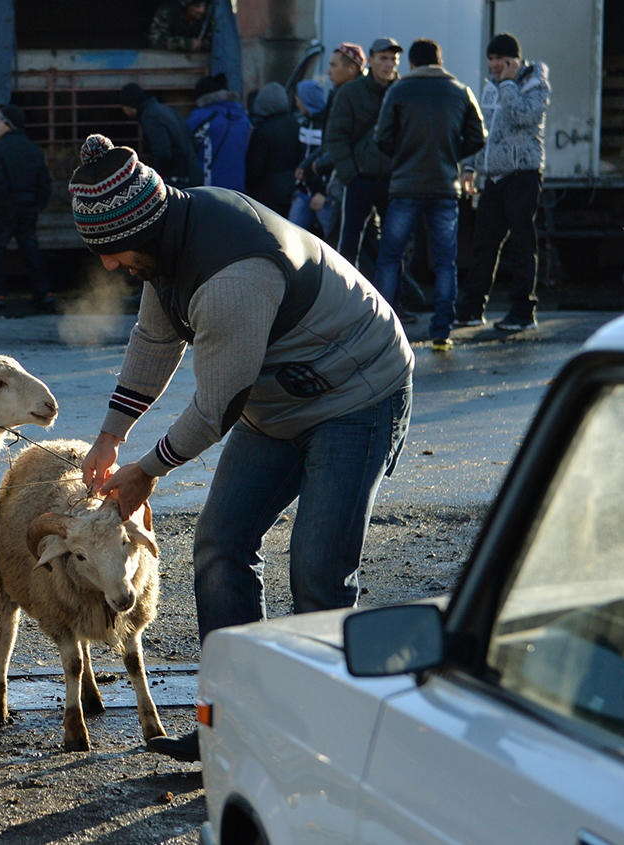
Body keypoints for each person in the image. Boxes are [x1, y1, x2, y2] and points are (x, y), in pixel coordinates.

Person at [71, 133, 414, 762]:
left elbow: (217, 407)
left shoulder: (231, 277)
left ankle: (331, 744)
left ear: (141, 230)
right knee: (220, 546)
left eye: (114, 253)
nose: (109, 267)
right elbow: (155, 341)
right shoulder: (167, 241)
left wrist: (146, 471)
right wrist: (110, 436)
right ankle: (233, 730)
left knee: (317, 568)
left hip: (355, 396)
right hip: (278, 401)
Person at [372, 39, 486, 351]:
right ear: (440, 60)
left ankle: (382, 332)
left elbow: (382, 137)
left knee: (390, 258)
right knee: (445, 262)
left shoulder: (399, 91)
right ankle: (441, 332)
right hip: (444, 188)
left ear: (411, 64)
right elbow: (479, 136)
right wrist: (451, 155)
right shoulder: (460, 91)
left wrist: (403, 156)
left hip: (405, 187)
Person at [456, 33, 551, 331]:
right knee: (484, 244)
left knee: (522, 243)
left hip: (522, 174)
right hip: (493, 179)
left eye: (502, 60)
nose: (495, 65)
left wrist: (509, 83)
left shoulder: (535, 84)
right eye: (492, 60)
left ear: (515, 60)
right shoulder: (489, 87)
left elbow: (523, 116)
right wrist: (470, 166)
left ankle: (523, 311)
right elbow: (481, 129)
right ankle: (472, 309)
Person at [323, 38, 401, 268]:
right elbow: (336, 137)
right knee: (348, 249)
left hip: (394, 181)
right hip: (360, 180)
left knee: (394, 250)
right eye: (383, 59)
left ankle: (394, 301)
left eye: (393, 60)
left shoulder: (403, 91)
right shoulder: (350, 93)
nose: (389, 65)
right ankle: (348, 301)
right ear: (372, 61)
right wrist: (351, 176)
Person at [0, 104, 54, 316]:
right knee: (31, 251)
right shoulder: (34, 149)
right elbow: (45, 184)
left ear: (8, 124)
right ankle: (44, 294)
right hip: (28, 209)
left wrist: (4, 206)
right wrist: (36, 206)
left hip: (6, 211)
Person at [294, 43, 366, 237]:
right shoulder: (339, 95)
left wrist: (318, 174)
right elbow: (331, 142)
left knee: (346, 247)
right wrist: (308, 164)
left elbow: (343, 147)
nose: (328, 71)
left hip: (346, 185)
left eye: (334, 65)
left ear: (351, 69)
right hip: (337, 184)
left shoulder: (355, 97)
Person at [120, 82, 199, 187]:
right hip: (192, 175)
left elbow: (163, 153)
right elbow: (193, 141)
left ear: (129, 105)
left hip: (177, 181)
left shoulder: (149, 117)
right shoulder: (165, 110)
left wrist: (154, 180)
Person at [186, 73, 251, 192]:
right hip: (238, 191)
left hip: (210, 189)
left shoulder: (201, 117)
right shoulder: (243, 117)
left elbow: (187, 146)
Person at [244, 81, 302, 216]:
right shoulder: (296, 125)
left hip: (267, 196)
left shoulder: (262, 131)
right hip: (292, 190)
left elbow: (255, 168)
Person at [287, 78, 330, 233]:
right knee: (291, 236)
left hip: (324, 197)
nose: (297, 103)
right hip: (304, 193)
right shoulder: (303, 123)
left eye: (299, 99)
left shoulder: (327, 125)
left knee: (332, 241)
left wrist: (325, 192)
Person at [148, 0, 213, 53]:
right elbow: (155, 40)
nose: (202, 10)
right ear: (186, 5)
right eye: (197, 6)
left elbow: (216, 42)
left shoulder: (208, 18)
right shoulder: (167, 13)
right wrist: (184, 43)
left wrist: (201, 45)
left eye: (204, 6)